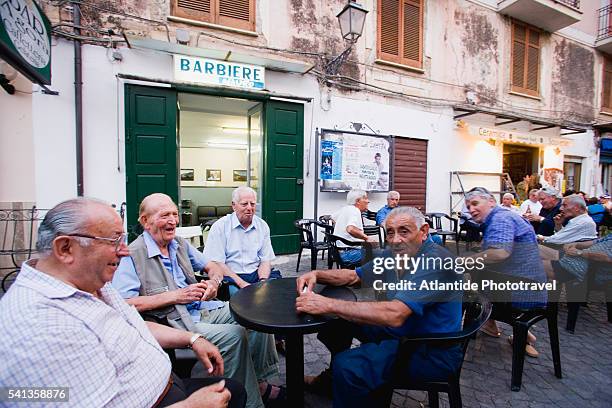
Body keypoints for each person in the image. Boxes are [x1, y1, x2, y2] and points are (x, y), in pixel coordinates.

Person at [0, 198, 246, 408]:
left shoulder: (93, 284)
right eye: (112, 241)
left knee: (236, 390)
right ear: (66, 248)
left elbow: (131, 323)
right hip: (162, 399)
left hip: (168, 382)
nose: (124, 251)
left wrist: (192, 339)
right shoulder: (38, 325)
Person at [112, 193, 281, 408]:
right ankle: (250, 402)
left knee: (255, 311)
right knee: (235, 335)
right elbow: (126, 304)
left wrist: (213, 284)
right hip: (173, 321)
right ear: (145, 221)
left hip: (201, 307)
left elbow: (212, 266)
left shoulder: (178, 244)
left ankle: (259, 381)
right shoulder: (133, 255)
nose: (173, 220)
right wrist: (174, 296)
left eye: (175, 214)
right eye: (165, 215)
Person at [296, 207, 463, 408]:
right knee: (338, 324)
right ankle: (334, 383)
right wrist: (317, 274)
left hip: (428, 351)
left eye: (404, 231)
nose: (395, 239)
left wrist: (327, 304)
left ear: (424, 231)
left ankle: (350, 379)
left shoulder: (434, 262)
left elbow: (395, 314)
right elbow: (355, 276)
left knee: (348, 366)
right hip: (403, 333)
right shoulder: (394, 255)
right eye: (390, 232)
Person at [463, 187, 547, 358]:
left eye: (475, 203)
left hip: (522, 295)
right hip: (531, 288)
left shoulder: (500, 219)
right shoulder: (505, 216)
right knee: (478, 280)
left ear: (492, 202)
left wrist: (462, 261)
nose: (471, 209)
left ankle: (455, 339)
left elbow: (500, 252)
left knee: (463, 291)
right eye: (468, 206)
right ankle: (494, 326)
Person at [203, 186, 281, 297]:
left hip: (256, 274)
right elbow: (217, 263)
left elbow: (265, 260)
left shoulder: (262, 226)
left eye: (252, 204)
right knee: (242, 300)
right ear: (234, 206)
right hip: (230, 276)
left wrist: (262, 282)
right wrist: (243, 284)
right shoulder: (220, 226)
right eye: (244, 204)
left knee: (274, 291)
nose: (249, 208)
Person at [331, 189, 375, 265]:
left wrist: (341, 229)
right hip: (349, 254)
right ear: (358, 201)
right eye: (365, 198)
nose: (368, 201)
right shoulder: (355, 211)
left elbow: (333, 217)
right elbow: (350, 229)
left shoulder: (345, 208)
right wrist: (366, 238)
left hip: (338, 253)